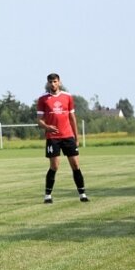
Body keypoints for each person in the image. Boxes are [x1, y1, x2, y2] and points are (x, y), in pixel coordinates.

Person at [36, 73, 89, 204]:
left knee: (75, 165)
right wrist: (47, 127)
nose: (53, 84)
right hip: (53, 137)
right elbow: (39, 121)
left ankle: (82, 194)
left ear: (59, 82)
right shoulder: (43, 99)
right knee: (54, 166)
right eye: (50, 82)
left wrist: (76, 137)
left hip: (68, 136)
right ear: (48, 83)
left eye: (55, 81)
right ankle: (47, 195)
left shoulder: (68, 97)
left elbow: (72, 118)